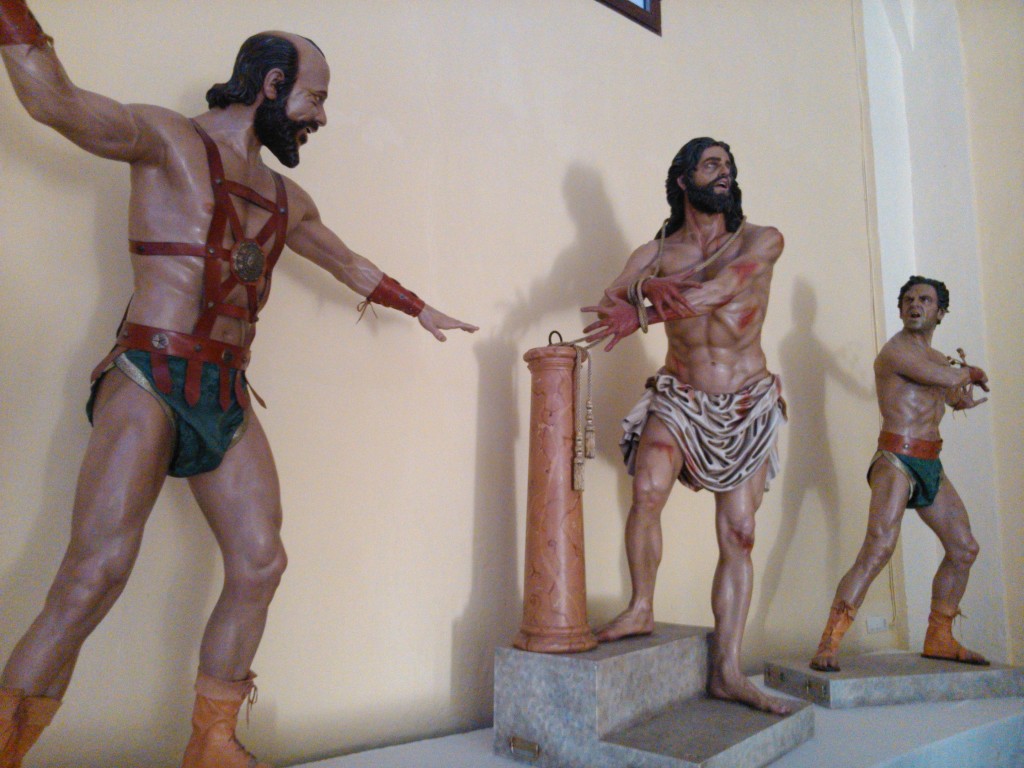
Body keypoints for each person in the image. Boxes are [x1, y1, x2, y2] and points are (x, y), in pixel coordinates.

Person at [0, 4, 476, 766]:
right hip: (149, 375)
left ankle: (212, 742)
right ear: (273, 84)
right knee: (94, 576)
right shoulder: (164, 138)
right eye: (315, 97)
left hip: (224, 389)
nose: (321, 117)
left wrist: (417, 307)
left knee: (261, 561)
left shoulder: (288, 200)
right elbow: (54, 101)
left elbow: (344, 261)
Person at [582, 137, 791, 714]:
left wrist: (642, 312)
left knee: (739, 532)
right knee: (647, 490)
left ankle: (728, 669)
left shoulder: (761, 240)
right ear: (683, 180)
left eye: (729, 165)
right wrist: (642, 286)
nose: (724, 173)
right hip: (680, 394)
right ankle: (640, 607)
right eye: (711, 164)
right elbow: (609, 298)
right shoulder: (655, 252)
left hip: (745, 401)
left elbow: (722, 290)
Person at [809, 276, 989, 672]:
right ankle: (829, 643)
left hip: (929, 460)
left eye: (925, 300)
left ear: (940, 312)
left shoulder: (938, 358)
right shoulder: (896, 352)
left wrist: (961, 397)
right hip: (896, 459)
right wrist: (968, 374)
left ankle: (939, 637)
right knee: (878, 549)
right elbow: (948, 379)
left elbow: (949, 392)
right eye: (908, 299)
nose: (915, 305)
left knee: (964, 548)